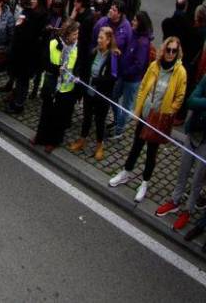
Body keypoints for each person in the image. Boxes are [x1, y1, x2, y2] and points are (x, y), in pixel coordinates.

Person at [109, 37, 187, 202]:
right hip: (146, 115)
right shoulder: (154, 66)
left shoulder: (180, 72)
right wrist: (138, 109)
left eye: (174, 51)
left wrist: (168, 112)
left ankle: (145, 182)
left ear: (177, 52)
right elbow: (143, 87)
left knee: (152, 153)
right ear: (163, 49)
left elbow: (180, 97)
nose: (170, 53)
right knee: (136, 146)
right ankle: (126, 172)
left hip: (159, 119)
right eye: (168, 49)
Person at [155, 67, 206, 235]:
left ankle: (188, 210)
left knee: (198, 178)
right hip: (193, 133)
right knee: (183, 170)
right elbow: (191, 100)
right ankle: (175, 200)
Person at [69, 24, 118, 161]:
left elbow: (113, 78)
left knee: (99, 121)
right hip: (89, 93)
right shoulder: (94, 52)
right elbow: (86, 69)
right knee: (87, 117)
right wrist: (80, 77)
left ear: (108, 40)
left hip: (102, 96)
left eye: (101, 38)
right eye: (98, 37)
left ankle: (99, 146)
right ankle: (82, 140)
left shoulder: (112, 57)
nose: (98, 40)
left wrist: (96, 80)